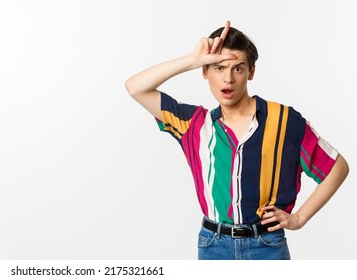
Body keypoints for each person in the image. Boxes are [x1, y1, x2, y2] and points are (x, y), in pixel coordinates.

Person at [125, 21, 349, 260]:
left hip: (267, 246)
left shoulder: (285, 121)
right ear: (205, 72)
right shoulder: (193, 124)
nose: (228, 79)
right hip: (213, 246)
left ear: (251, 72)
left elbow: (337, 167)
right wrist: (193, 59)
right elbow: (136, 87)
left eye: (238, 69)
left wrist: (299, 218)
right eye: (218, 68)